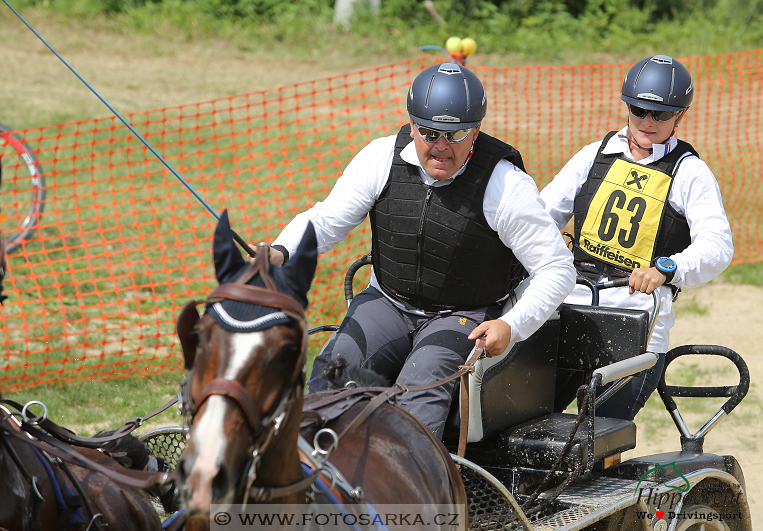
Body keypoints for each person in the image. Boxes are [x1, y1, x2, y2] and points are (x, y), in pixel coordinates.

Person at [262, 63, 575, 439]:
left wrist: (512, 325)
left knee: (417, 396)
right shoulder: (380, 158)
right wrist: (279, 251)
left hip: (464, 315)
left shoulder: (506, 185)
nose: (440, 145)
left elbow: (557, 269)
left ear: (476, 130)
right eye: (428, 132)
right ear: (411, 125)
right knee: (332, 374)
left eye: (455, 134)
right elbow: (326, 220)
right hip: (388, 302)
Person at [540, 55, 734, 421]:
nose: (647, 122)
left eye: (660, 114)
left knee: (595, 442)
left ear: (680, 116)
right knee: (521, 424)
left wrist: (666, 268)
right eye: (638, 109)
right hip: (570, 311)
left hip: (636, 329)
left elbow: (718, 246)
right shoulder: (593, 157)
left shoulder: (690, 172)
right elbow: (539, 217)